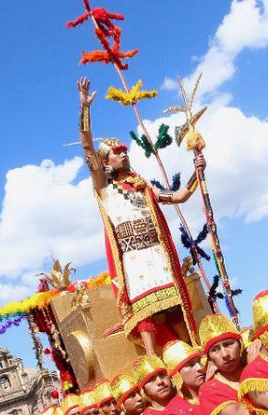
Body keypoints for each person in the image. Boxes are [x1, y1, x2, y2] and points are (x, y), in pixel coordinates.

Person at [77, 76, 204, 354]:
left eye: (124, 151)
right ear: (105, 162)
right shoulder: (104, 188)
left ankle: (192, 351)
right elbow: (87, 148)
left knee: (174, 308)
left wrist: (198, 173)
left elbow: (180, 196)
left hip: (157, 252)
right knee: (147, 313)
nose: (123, 155)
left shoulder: (143, 186)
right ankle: (153, 362)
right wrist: (84, 108)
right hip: (133, 258)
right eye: (116, 153)